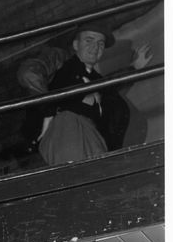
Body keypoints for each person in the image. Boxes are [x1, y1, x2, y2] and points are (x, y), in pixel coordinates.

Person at [38, 21, 153, 165]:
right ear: (76, 45)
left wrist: (133, 68)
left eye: (100, 43)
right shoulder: (65, 71)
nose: (95, 47)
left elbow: (109, 85)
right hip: (72, 136)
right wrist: (48, 112)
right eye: (88, 40)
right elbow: (37, 79)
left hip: (95, 143)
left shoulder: (94, 79)